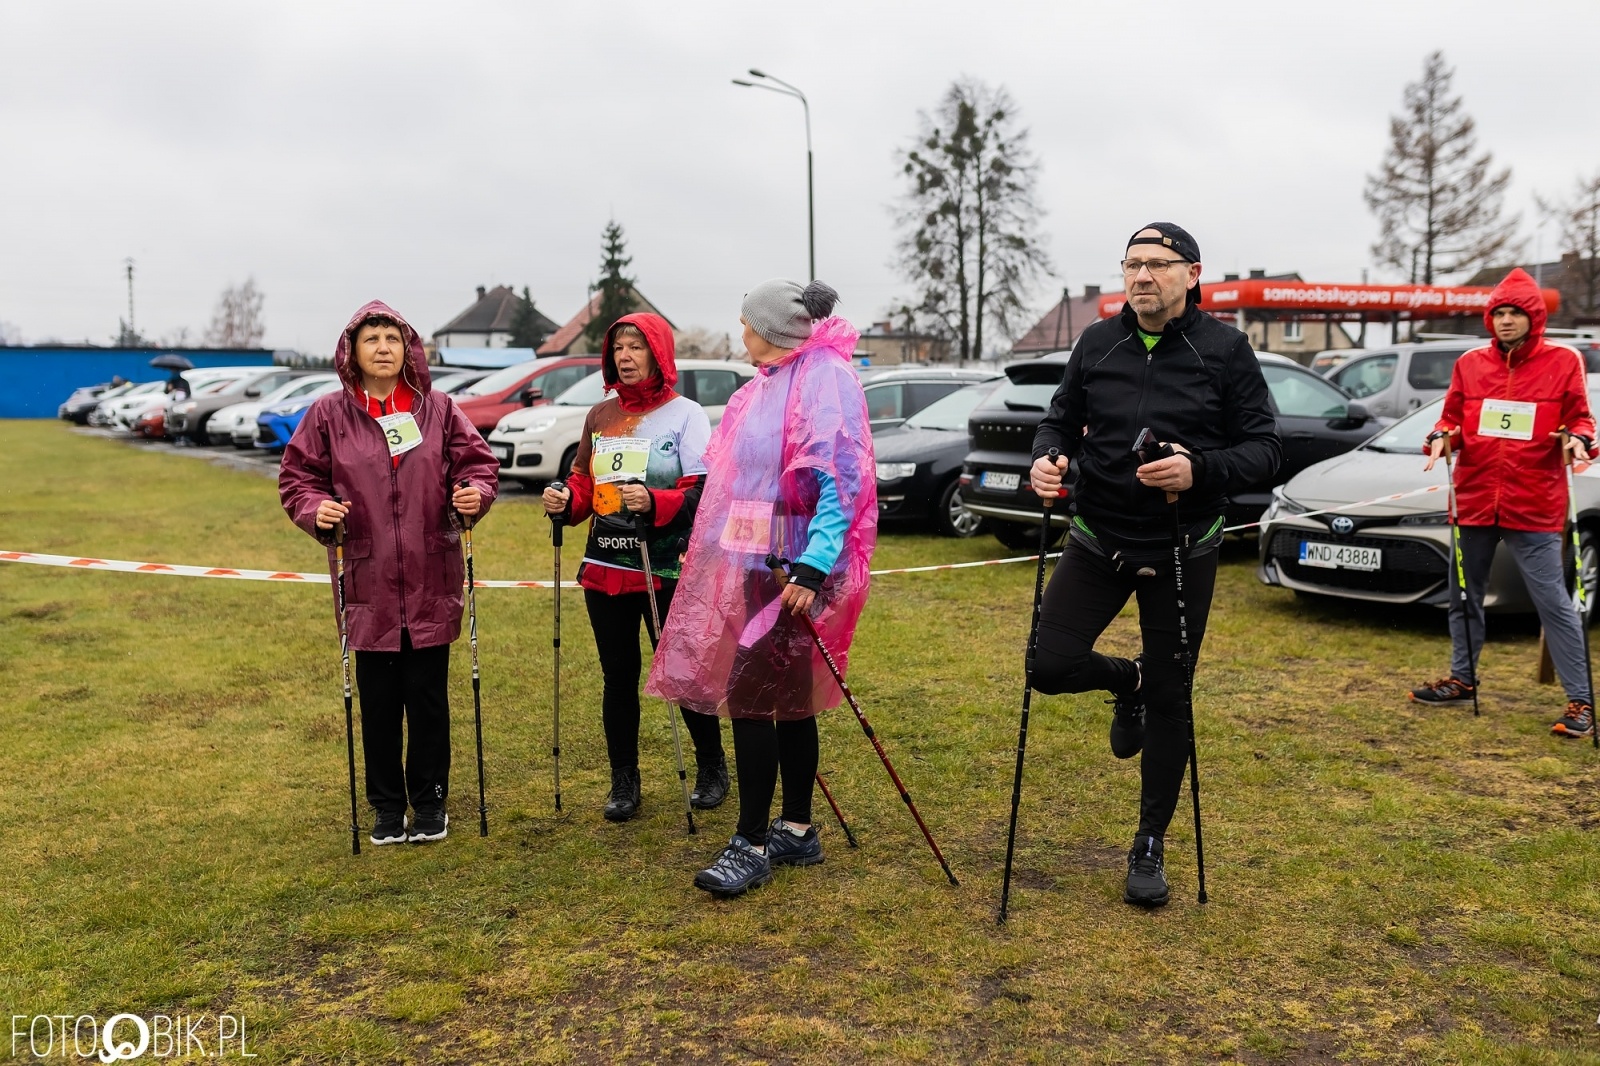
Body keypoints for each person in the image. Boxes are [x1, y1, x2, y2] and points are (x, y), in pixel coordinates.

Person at [1028, 224, 1281, 907]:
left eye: (1157, 265)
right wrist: (1046, 458)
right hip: (1096, 536)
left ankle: (1148, 842)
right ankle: (1126, 678)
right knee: (1046, 667)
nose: (1141, 276)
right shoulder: (1097, 341)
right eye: (1132, 264)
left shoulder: (1224, 350)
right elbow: (1059, 420)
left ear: (1191, 274)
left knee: (1174, 698)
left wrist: (1199, 470)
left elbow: (1264, 449)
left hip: (1180, 544)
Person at [647, 279, 876, 898]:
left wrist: (812, 566)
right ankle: (797, 830)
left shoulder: (822, 378)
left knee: (751, 697)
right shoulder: (770, 384)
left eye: (746, 322)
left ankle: (750, 843)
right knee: (789, 696)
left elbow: (839, 475)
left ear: (772, 329)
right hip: (756, 560)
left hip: (794, 566)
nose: (740, 332)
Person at [280, 301, 498, 846]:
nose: (382, 347)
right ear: (351, 351)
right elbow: (297, 477)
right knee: (377, 703)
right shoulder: (329, 414)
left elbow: (477, 464)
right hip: (367, 578)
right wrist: (315, 510)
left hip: (431, 573)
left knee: (427, 698)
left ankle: (430, 803)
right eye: (371, 338)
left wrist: (474, 495)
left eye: (392, 339)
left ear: (408, 350)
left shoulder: (440, 408)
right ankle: (384, 806)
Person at [541, 313, 727, 821]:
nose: (625, 357)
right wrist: (566, 499)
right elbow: (584, 481)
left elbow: (700, 491)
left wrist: (654, 501)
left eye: (636, 347)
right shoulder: (599, 416)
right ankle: (624, 780)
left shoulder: (685, 414)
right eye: (618, 348)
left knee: (682, 671)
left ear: (657, 353)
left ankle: (712, 765)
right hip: (606, 565)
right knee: (617, 677)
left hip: (666, 564)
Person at [1411, 268, 1596, 736]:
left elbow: (1583, 421)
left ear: (1534, 318)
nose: (1506, 321)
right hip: (1473, 500)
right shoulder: (1470, 363)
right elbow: (1451, 418)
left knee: (1553, 602)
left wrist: (1577, 441)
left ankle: (1580, 703)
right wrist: (1440, 438)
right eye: (1499, 313)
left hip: (1534, 504)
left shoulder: (1564, 360)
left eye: (1515, 313)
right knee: (1464, 596)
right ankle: (1462, 679)